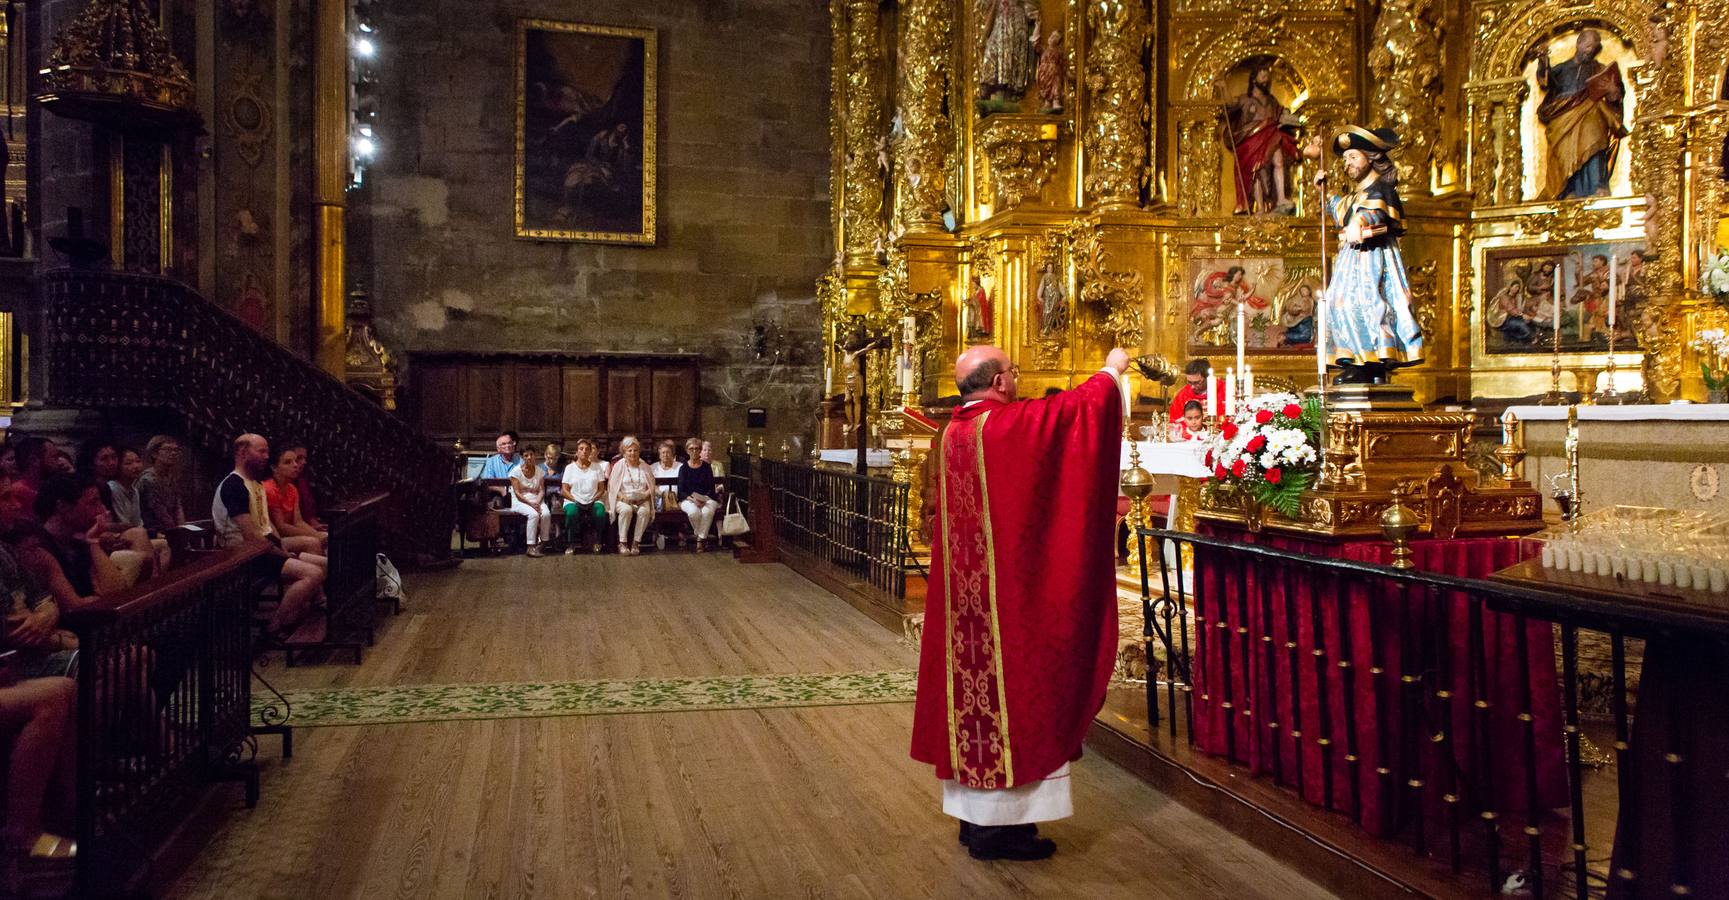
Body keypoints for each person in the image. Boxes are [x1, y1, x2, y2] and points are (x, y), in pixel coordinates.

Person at [911, 344, 1130, 862]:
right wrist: (1111, 368)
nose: (1017, 380)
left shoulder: (953, 434)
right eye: (1014, 372)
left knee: (973, 702)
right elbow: (1076, 411)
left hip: (967, 606)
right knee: (1018, 697)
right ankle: (998, 832)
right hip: (1005, 605)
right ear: (1002, 382)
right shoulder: (1004, 428)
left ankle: (977, 820)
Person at [1306, 126, 1424, 383]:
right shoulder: (1356, 193)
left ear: (1370, 158)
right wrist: (1323, 191)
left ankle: (1373, 361)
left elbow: (1376, 212)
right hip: (1351, 260)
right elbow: (1341, 213)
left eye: (1353, 157)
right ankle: (1358, 358)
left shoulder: (1381, 189)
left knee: (1368, 304)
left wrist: (1360, 221)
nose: (1348, 164)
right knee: (1338, 303)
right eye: (1346, 159)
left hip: (1373, 259)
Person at [213, 434, 325, 643]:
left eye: (267, 451)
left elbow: (267, 526)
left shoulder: (254, 484)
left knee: (325, 564)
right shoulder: (233, 485)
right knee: (312, 573)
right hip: (242, 555)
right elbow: (250, 536)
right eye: (261, 451)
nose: (266, 456)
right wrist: (282, 554)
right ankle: (274, 626)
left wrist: (281, 547)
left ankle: (297, 615)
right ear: (243, 453)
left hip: (260, 550)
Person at [1536, 29, 1627, 200]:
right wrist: (1543, 61)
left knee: (1594, 138)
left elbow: (1615, 96)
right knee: (1564, 152)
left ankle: (1597, 185)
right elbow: (1545, 81)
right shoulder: (1562, 69)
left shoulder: (1599, 69)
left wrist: (1613, 91)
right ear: (1578, 43)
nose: (1589, 50)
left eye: (1593, 48)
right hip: (1562, 116)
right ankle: (1566, 189)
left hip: (1592, 112)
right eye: (1587, 46)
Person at [31, 474, 156, 596]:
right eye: (93, 502)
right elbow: (113, 595)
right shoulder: (39, 549)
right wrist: (93, 541)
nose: (102, 510)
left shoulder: (78, 543)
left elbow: (116, 592)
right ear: (62, 506)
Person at [1220, 63, 1300, 215]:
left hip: (1271, 134)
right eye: (1262, 77)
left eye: (1267, 79)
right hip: (1251, 140)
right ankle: (1260, 208)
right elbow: (1229, 105)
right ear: (1254, 79)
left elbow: (1281, 112)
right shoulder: (1244, 99)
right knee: (1255, 171)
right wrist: (1224, 86)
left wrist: (1287, 115)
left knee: (1279, 162)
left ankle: (1281, 198)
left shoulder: (1271, 100)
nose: (1265, 81)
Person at [263, 447, 328, 555]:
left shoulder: (292, 489)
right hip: (274, 539)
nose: (295, 465)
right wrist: (315, 535)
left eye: (295, 461)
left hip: (289, 535)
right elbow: (281, 527)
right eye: (288, 462)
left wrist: (317, 534)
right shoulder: (269, 488)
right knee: (312, 541)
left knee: (325, 538)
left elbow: (298, 522)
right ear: (274, 468)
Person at [607, 437, 654, 556]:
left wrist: (644, 496)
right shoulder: (619, 465)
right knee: (626, 510)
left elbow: (651, 486)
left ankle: (636, 543)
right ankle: (622, 543)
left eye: (635, 450)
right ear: (624, 452)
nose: (633, 453)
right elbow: (613, 487)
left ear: (639, 451)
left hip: (641, 499)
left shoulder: (645, 466)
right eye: (629, 450)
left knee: (644, 511)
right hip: (623, 499)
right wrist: (624, 498)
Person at [561, 439, 608, 555]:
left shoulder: (597, 468)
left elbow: (602, 488)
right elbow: (564, 490)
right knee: (571, 513)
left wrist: (594, 499)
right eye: (581, 449)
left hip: (593, 499)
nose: (584, 451)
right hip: (574, 499)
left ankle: (598, 541)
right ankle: (570, 543)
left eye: (587, 449)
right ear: (576, 452)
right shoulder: (570, 468)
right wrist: (575, 500)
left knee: (600, 513)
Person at [137, 436, 188, 533]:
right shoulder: (148, 480)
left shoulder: (170, 477)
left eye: (176, 450)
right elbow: (160, 513)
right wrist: (177, 532)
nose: (173, 453)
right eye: (168, 449)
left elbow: (178, 506)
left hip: (169, 528)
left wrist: (183, 527)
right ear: (154, 454)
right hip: (152, 529)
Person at [508, 447, 551, 557]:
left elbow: (541, 490)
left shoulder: (539, 471)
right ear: (522, 457)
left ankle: (543, 543)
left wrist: (536, 502)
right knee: (534, 515)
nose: (529, 457)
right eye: (526, 455)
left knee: (546, 514)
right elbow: (517, 493)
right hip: (520, 501)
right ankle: (530, 546)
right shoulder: (515, 472)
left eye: (531, 454)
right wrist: (531, 504)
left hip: (536, 499)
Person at [677, 446, 721, 552]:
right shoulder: (683, 468)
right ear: (687, 451)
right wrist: (693, 499)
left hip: (707, 498)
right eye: (691, 449)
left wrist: (703, 499)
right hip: (688, 499)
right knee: (693, 513)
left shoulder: (706, 467)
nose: (694, 451)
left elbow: (711, 487)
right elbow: (681, 490)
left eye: (697, 449)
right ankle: (702, 536)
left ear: (700, 451)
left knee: (707, 512)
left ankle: (700, 541)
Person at [1167, 358, 1225, 423]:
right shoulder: (1183, 395)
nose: (1192, 387)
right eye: (1189, 382)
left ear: (1207, 378)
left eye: (1197, 383)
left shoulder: (1224, 390)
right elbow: (1174, 421)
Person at [106, 447, 145, 530]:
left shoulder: (134, 490)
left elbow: (137, 521)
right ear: (118, 467)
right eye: (128, 463)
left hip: (135, 532)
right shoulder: (113, 488)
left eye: (138, 461)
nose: (136, 466)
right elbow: (123, 522)